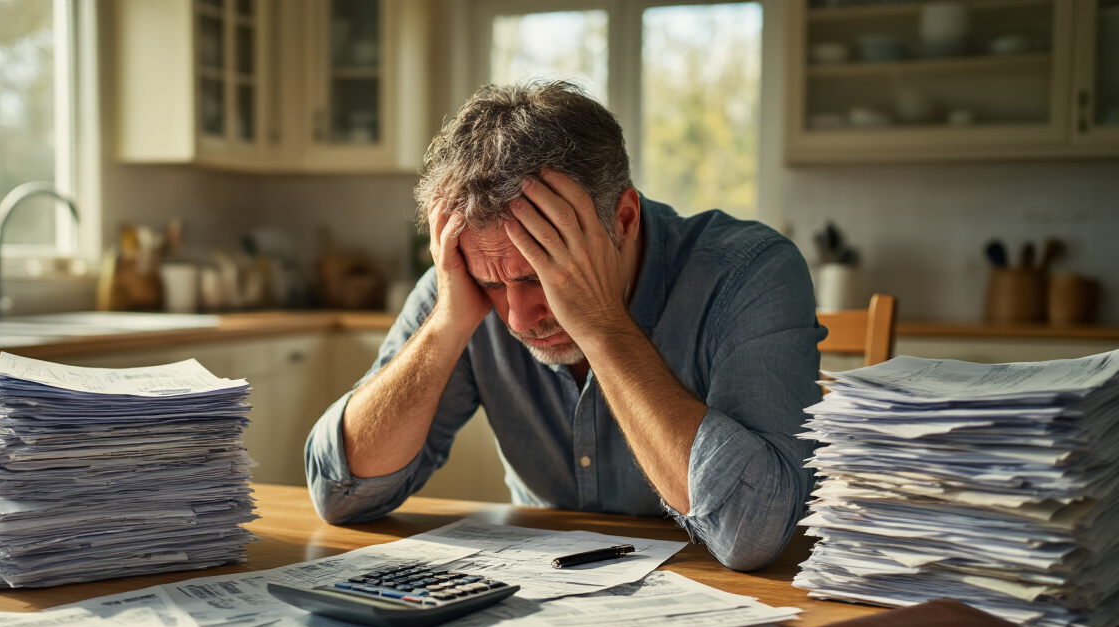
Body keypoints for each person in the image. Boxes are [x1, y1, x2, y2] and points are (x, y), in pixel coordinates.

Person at [305, 80, 824, 571]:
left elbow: (754, 531)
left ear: (623, 220)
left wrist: (602, 328)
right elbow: (340, 495)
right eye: (493, 285)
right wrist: (445, 325)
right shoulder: (468, 277)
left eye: (542, 274)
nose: (518, 316)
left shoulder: (750, 271)